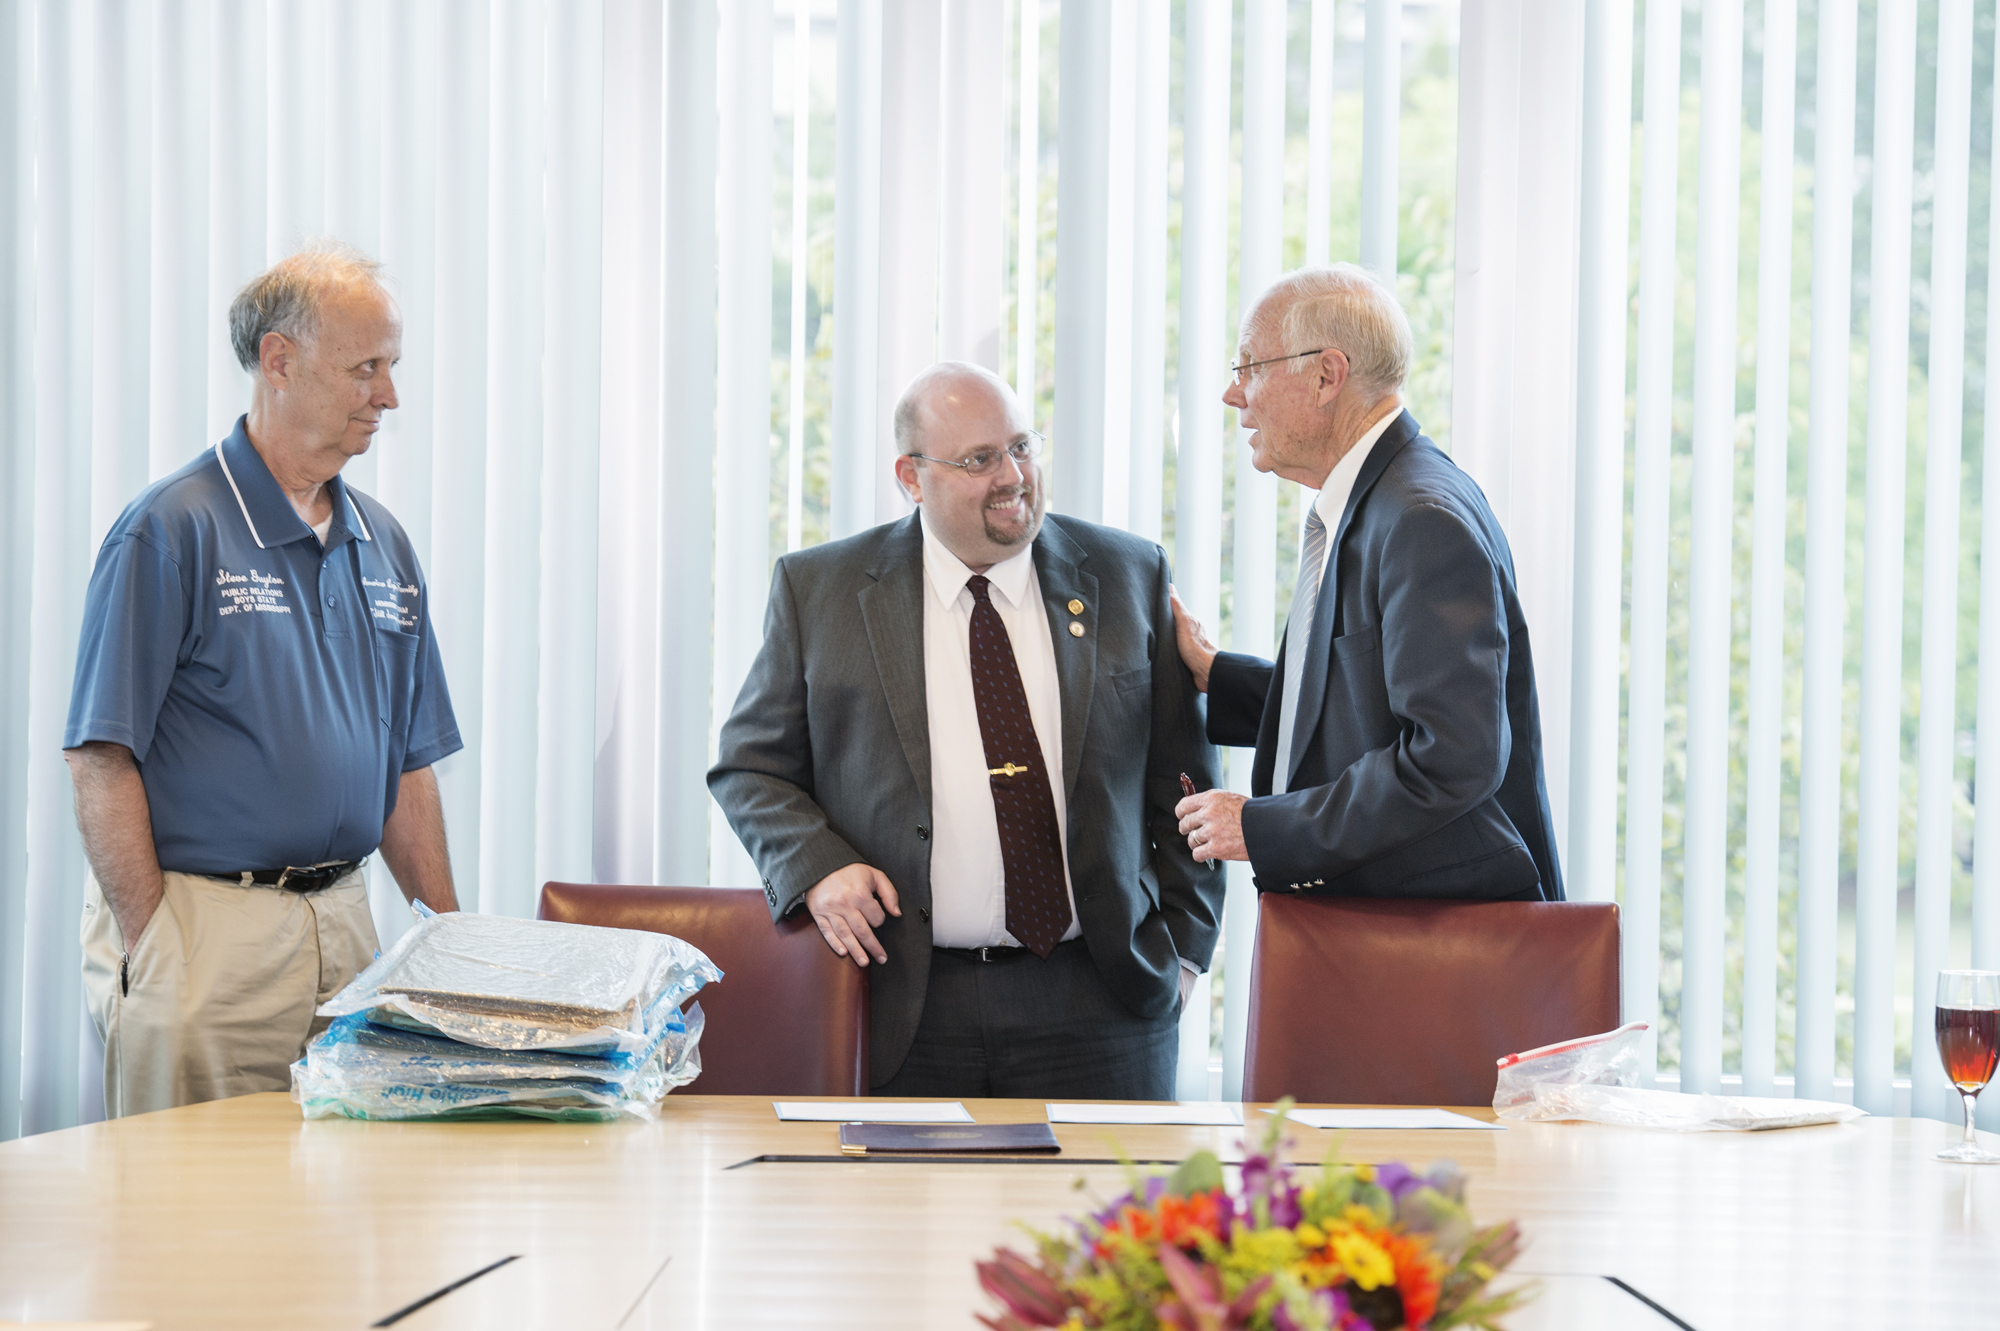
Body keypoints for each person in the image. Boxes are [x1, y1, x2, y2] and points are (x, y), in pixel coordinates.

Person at [710, 362, 1223, 1099]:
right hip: (905, 1004)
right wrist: (815, 866)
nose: (1013, 475)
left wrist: (1186, 950)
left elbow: (1188, 780)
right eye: (980, 459)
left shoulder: (1128, 574)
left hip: (1102, 1002)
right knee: (907, 1219)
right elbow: (749, 768)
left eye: (1022, 446)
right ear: (911, 477)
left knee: (1110, 1218)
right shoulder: (820, 591)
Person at [64, 243, 462, 1117]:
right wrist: (154, 944)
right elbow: (99, 756)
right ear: (278, 361)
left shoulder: (383, 544)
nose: (388, 395)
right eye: (366, 368)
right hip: (207, 935)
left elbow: (406, 767)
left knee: (332, 1228)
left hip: (347, 932)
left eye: (391, 367)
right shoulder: (170, 531)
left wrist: (446, 946)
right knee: (191, 1221)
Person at [1171, 264, 1563, 901]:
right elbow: (1363, 701)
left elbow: (1451, 757)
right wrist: (1217, 676)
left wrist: (1262, 827)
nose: (1233, 393)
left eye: (1249, 365)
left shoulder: (1419, 520)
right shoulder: (1382, 499)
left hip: (1430, 955)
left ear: (1327, 375)